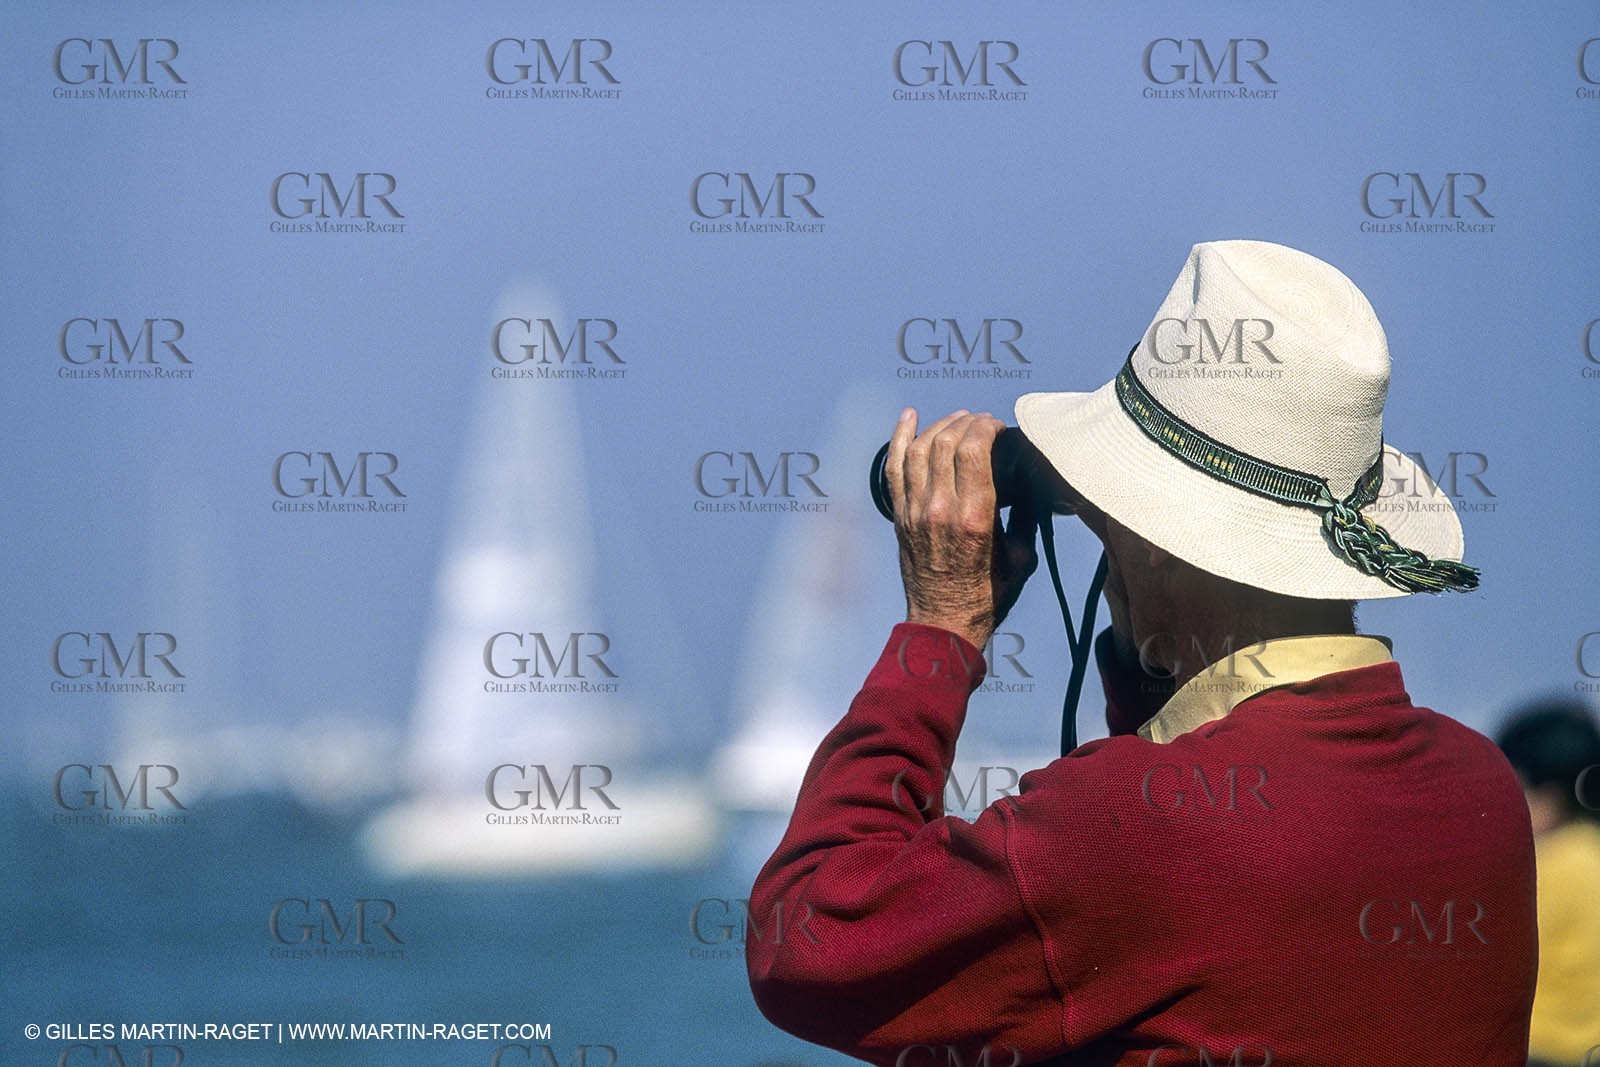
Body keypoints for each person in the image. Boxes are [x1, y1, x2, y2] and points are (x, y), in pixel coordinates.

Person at [745, 240, 1537, 1065]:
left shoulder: (1139, 829)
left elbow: (803, 939)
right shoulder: (1483, 791)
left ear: (1161, 540)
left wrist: (940, 631)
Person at [1497, 699, 1600, 1067]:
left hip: (1542, 1052)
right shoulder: (1590, 853)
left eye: (1514, 787)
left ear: (1549, 796)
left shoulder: (1550, 867)